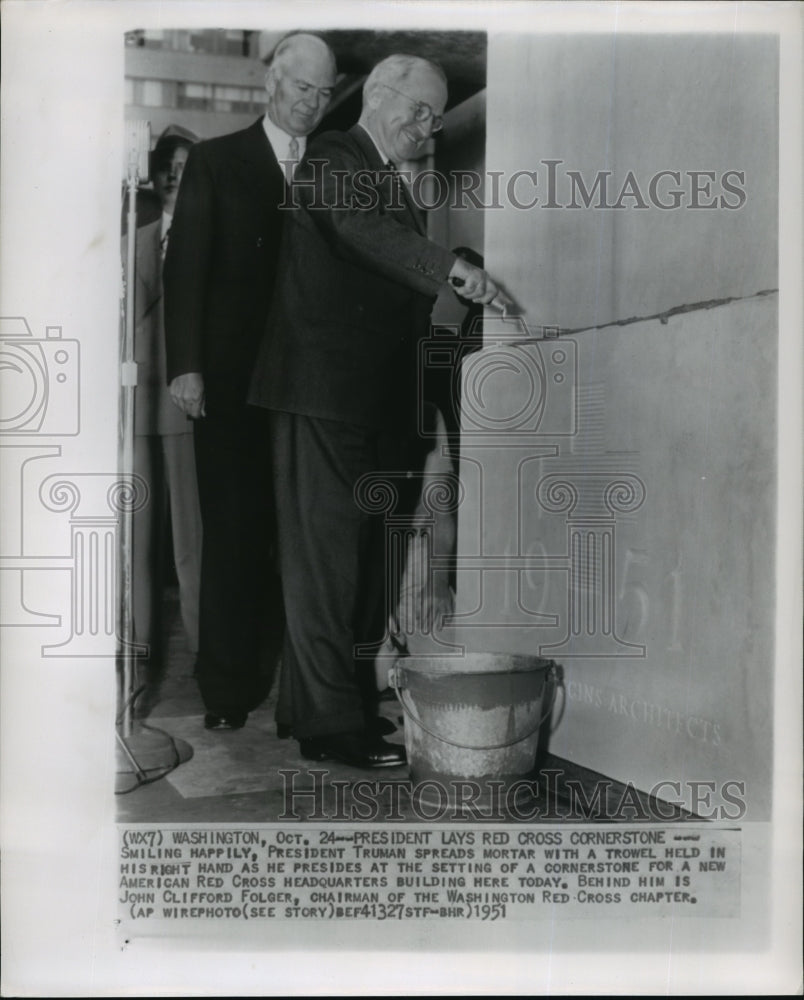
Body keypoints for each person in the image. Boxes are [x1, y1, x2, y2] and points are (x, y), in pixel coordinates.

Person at [249, 54, 503, 768]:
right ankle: (331, 725)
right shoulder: (334, 157)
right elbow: (359, 230)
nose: (426, 127)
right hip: (320, 396)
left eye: (435, 118)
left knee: (357, 565)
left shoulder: (396, 184)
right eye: (417, 109)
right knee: (326, 566)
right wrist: (449, 268)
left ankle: (329, 707)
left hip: (367, 402)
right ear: (381, 95)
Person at [163, 33, 337, 731]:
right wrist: (186, 364)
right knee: (234, 534)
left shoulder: (335, 168)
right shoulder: (216, 160)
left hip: (314, 388)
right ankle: (228, 691)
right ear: (273, 81)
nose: (314, 106)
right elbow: (187, 269)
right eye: (304, 89)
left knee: (305, 540)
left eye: (326, 95)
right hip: (231, 384)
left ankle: (310, 692)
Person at [123, 124, 202, 677]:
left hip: (191, 410)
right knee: (134, 544)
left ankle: (205, 656)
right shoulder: (135, 239)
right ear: (154, 176)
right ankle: (134, 656)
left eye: (187, 168)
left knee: (192, 547)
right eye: (169, 168)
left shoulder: (214, 239)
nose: (176, 177)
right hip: (136, 409)